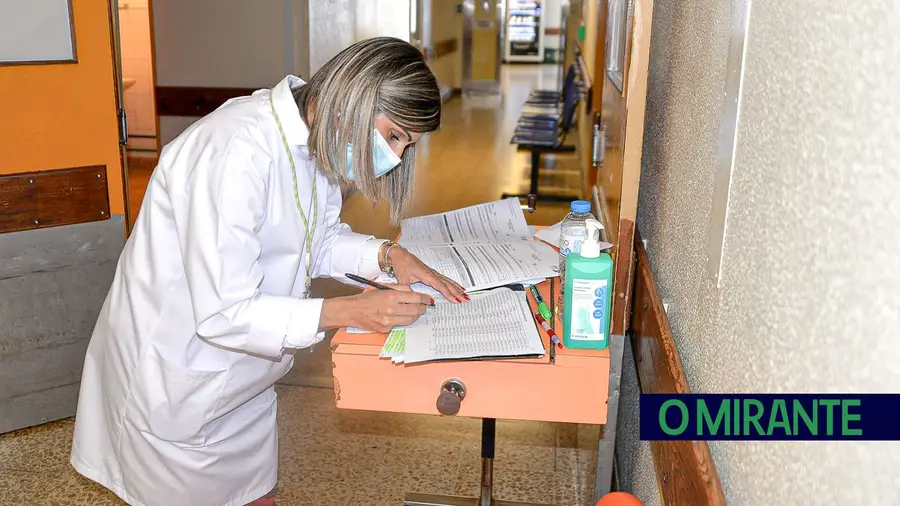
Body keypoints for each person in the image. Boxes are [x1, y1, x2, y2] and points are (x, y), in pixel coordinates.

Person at [70, 37, 468, 506]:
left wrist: (387, 256)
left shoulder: (315, 138)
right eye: (395, 135)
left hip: (244, 382)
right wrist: (351, 311)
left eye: (407, 145)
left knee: (256, 495)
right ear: (354, 98)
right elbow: (226, 313)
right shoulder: (235, 150)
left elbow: (314, 241)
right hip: (179, 377)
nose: (396, 156)